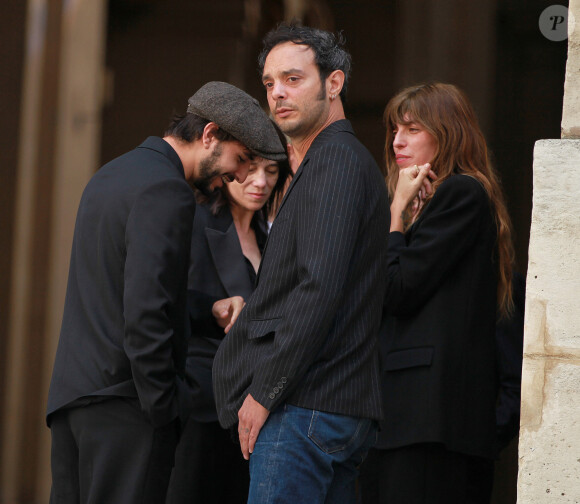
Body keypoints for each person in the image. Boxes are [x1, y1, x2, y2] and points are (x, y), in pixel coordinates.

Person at [46, 81, 287, 504]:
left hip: (74, 404)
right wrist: (165, 410)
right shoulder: (167, 189)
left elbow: (118, 289)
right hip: (128, 411)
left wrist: (203, 309)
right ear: (210, 134)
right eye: (242, 159)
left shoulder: (111, 174)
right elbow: (146, 311)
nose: (241, 174)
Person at [213, 23, 390, 504]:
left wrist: (263, 392)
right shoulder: (326, 162)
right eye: (269, 83)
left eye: (293, 79)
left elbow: (318, 289)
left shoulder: (335, 160)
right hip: (327, 406)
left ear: (333, 84)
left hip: (306, 405)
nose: (277, 94)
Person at [361, 82, 514, 504]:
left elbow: (396, 289)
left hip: (428, 423)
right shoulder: (434, 202)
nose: (397, 141)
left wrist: (394, 215)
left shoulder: (461, 192)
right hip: (408, 419)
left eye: (411, 129)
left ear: (445, 133)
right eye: (394, 129)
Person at [166, 122, 292, 504]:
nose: (260, 181)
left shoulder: (273, 240)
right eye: (250, 167)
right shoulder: (196, 219)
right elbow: (165, 299)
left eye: (271, 172)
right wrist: (212, 309)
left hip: (251, 412)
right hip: (200, 401)